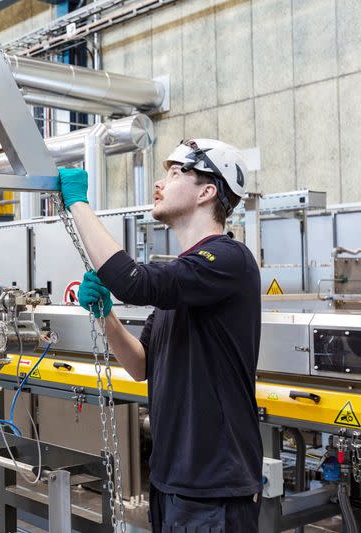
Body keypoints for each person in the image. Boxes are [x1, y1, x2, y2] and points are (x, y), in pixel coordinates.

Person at [59, 139, 263, 532]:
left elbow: (132, 281)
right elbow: (140, 364)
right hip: (172, 482)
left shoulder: (228, 260)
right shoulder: (186, 276)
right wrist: (107, 317)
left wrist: (77, 204)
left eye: (174, 173)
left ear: (207, 191)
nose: (159, 182)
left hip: (213, 489)